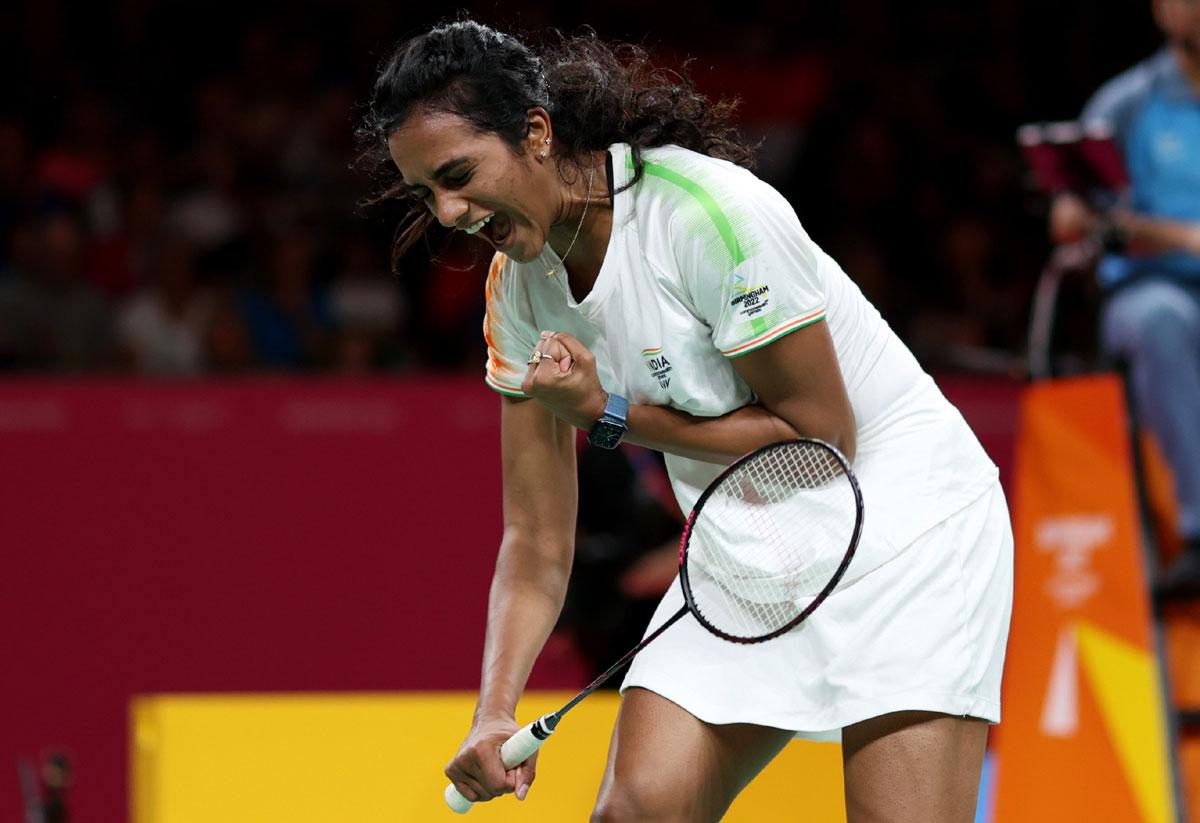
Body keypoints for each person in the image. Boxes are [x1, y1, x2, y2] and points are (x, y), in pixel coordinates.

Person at [361, 21, 1012, 821]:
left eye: (458, 174)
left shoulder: (707, 215)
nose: (450, 211)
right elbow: (535, 539)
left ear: (534, 131)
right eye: (426, 192)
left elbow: (821, 437)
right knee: (636, 812)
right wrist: (494, 708)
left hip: (905, 527)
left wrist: (610, 414)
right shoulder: (517, 292)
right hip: (749, 543)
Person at [1050, 0, 1200, 591]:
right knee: (1165, 319)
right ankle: (1197, 531)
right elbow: (1068, 218)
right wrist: (1177, 237)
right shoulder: (1129, 104)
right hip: (1151, 291)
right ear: (1164, 11)